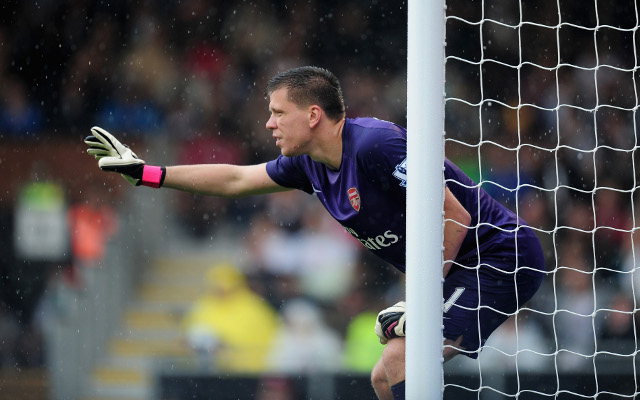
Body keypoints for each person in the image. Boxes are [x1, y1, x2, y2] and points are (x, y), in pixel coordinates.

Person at [84, 66, 546, 400]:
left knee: (402, 364)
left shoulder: (375, 144)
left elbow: (454, 215)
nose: (268, 123)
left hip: (498, 258)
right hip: (456, 270)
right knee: (384, 378)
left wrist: (420, 298)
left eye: (277, 112)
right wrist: (148, 174)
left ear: (312, 115)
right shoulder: (307, 165)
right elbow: (237, 180)